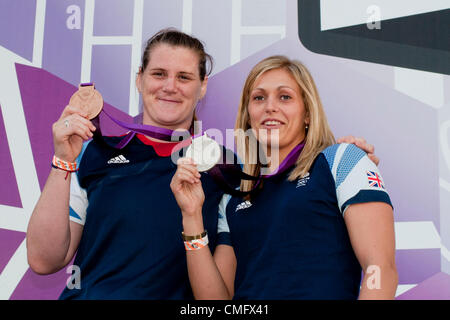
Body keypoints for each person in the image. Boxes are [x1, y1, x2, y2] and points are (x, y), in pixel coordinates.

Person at [26, 27, 379, 299]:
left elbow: (289, 192)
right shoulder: (94, 152)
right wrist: (62, 163)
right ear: (139, 78)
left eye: (184, 77)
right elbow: (44, 260)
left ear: (203, 86)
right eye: (159, 74)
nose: (170, 87)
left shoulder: (228, 170)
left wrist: (342, 154)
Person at [170, 55, 398, 300]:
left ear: (308, 113)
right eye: (259, 98)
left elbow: (380, 267)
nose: (270, 107)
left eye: (285, 97)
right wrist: (192, 217)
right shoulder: (234, 196)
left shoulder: (343, 160)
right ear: (248, 116)